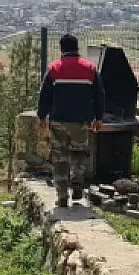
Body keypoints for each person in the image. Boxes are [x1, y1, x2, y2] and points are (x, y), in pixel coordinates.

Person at [36, 34, 105, 208]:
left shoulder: (53, 68)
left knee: (60, 158)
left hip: (58, 121)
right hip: (81, 122)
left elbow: (44, 95)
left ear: (61, 49)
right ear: (77, 48)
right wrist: (99, 118)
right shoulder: (90, 68)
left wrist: (41, 116)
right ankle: (77, 180)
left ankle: (62, 196)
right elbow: (99, 95)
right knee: (79, 153)